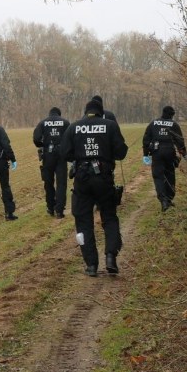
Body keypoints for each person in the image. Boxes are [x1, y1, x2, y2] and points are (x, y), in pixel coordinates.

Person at [64, 100, 128, 276]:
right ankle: (111, 257)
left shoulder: (74, 127)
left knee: (83, 221)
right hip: (104, 178)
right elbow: (121, 152)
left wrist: (81, 155)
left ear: (86, 111)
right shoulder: (110, 125)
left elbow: (65, 153)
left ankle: (91, 265)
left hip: (82, 180)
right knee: (109, 217)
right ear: (101, 112)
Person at [142, 105, 187, 211]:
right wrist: (184, 153)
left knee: (158, 177)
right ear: (172, 115)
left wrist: (146, 154)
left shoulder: (153, 123)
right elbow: (179, 140)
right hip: (169, 153)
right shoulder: (174, 124)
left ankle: (163, 201)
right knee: (169, 175)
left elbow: (146, 139)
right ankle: (169, 199)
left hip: (157, 153)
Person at [33, 106, 70, 218]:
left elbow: (36, 139)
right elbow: (71, 138)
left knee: (48, 182)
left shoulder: (42, 123)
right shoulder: (65, 122)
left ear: (50, 114)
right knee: (61, 183)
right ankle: (59, 210)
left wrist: (43, 145)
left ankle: (50, 207)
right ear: (59, 114)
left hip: (48, 155)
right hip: (61, 154)